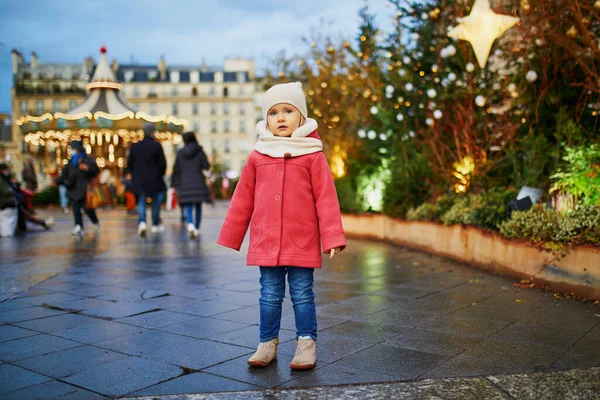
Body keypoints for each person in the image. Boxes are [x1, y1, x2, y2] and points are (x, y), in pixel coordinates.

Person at [217, 82, 346, 370]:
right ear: (266, 119)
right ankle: (267, 343)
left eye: (288, 110)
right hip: (267, 241)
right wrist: (232, 235)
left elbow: (326, 199)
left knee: (302, 293)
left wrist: (332, 236)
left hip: (302, 240)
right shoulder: (257, 155)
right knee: (269, 294)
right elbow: (242, 199)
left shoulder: (313, 154)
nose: (281, 118)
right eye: (274, 112)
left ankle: (306, 343)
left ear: (301, 116)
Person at [128, 122, 167, 237]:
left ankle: (142, 223)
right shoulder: (157, 146)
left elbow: (130, 163)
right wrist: (159, 174)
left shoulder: (135, 146)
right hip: (154, 178)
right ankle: (155, 225)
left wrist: (134, 174)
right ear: (152, 132)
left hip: (140, 179)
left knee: (141, 202)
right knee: (155, 202)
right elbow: (162, 164)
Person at [171, 131, 211, 239]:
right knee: (198, 205)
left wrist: (173, 183)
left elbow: (176, 169)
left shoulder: (180, 152)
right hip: (198, 180)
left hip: (185, 181)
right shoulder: (200, 151)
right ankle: (196, 228)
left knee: (188, 203)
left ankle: (190, 224)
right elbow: (206, 166)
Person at [55, 140, 100, 235]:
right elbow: (64, 174)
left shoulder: (88, 159)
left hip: (85, 188)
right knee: (75, 208)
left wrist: (87, 168)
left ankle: (94, 221)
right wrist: (57, 181)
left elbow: (96, 171)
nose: (72, 151)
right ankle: (78, 226)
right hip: (73, 187)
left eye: (74, 149)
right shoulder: (71, 161)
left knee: (87, 208)